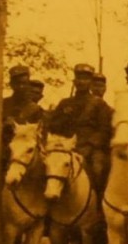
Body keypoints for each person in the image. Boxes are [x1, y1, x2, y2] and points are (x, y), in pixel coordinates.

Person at [48, 63, 113, 195]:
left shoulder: (98, 104)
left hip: (91, 148)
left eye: (86, 79)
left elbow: (104, 129)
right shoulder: (65, 103)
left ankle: (100, 205)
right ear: (74, 81)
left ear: (91, 82)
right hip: (66, 147)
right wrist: (65, 117)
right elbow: (53, 127)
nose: (82, 82)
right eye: (79, 78)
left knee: (98, 169)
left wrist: (90, 145)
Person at [1, 65, 43, 169]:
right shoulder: (3, 104)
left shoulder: (35, 109)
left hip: (23, 152)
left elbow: (37, 135)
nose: (21, 87)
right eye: (17, 83)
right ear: (11, 84)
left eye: (24, 83)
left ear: (28, 84)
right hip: (2, 149)